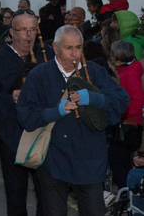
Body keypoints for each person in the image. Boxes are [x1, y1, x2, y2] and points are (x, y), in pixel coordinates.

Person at [17, 25, 129, 216]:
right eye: (68, 48)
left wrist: (92, 97)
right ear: (55, 47)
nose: (75, 54)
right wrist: (56, 111)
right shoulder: (40, 74)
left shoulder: (94, 71)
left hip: (89, 159)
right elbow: (26, 116)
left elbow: (121, 100)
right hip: (53, 158)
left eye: (78, 47)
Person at [0, 11, 55, 216]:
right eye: (23, 30)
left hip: (44, 134)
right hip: (13, 136)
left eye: (32, 30)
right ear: (12, 33)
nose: (28, 35)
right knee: (15, 195)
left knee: (47, 195)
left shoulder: (47, 54)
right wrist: (10, 98)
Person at [108, 40, 144, 190]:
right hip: (128, 122)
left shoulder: (128, 73)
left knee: (117, 160)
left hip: (127, 125)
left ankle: (127, 193)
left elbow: (137, 99)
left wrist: (123, 115)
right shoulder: (131, 69)